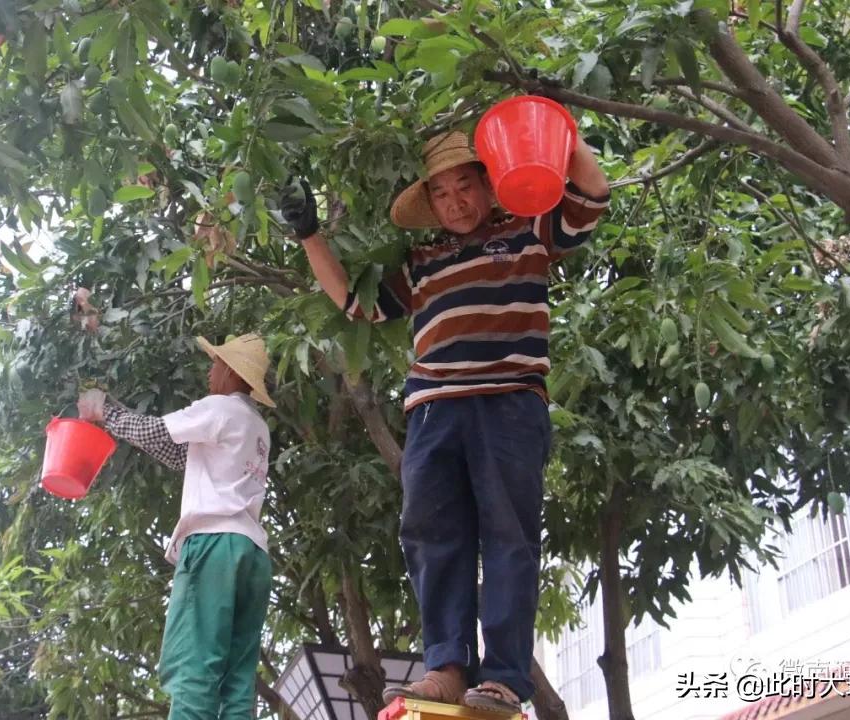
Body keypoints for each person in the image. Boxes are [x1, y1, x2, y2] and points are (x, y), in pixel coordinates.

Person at [280, 127, 609, 713]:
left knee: (508, 536)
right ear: (429, 204)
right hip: (432, 411)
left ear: (488, 186)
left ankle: (504, 677)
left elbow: (591, 195)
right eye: (441, 193)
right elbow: (358, 304)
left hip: (508, 402)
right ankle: (447, 668)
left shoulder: (529, 230)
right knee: (432, 538)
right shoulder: (422, 261)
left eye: (464, 185)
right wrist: (308, 235)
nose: (455, 201)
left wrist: (562, 128)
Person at [77, 333, 276, 720]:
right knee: (237, 680)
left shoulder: (219, 407)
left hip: (214, 546)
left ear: (233, 372)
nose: (210, 369)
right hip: (252, 553)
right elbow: (177, 453)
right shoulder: (257, 428)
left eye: (217, 362)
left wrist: (107, 413)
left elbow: (156, 432)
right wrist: (114, 411)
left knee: (194, 665)